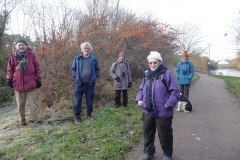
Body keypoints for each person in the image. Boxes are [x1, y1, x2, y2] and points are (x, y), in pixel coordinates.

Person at [136, 51, 180, 160]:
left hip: (163, 111)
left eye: (154, 62)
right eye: (150, 63)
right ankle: (148, 153)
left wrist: (169, 104)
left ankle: (167, 154)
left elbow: (175, 92)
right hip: (147, 110)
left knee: (165, 134)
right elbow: (141, 89)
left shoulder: (166, 74)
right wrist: (139, 99)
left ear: (159, 62)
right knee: (148, 133)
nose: (152, 65)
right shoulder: (146, 74)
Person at [6, 37, 42, 126]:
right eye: (19, 45)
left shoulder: (32, 55)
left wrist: (38, 79)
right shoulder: (12, 56)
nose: (21, 46)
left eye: (23, 45)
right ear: (16, 46)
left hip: (31, 83)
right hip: (18, 84)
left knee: (33, 105)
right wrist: (9, 79)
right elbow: (10, 69)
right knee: (20, 106)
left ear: (26, 46)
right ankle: (22, 122)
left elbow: (37, 67)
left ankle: (35, 121)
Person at [71, 42, 100, 124]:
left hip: (90, 84)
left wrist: (96, 76)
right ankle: (77, 117)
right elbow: (73, 69)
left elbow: (97, 69)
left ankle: (89, 114)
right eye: (85, 48)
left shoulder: (94, 59)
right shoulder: (77, 59)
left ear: (90, 50)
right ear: (82, 49)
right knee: (77, 100)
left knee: (90, 100)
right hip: (79, 84)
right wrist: (75, 76)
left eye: (88, 48)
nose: (86, 50)